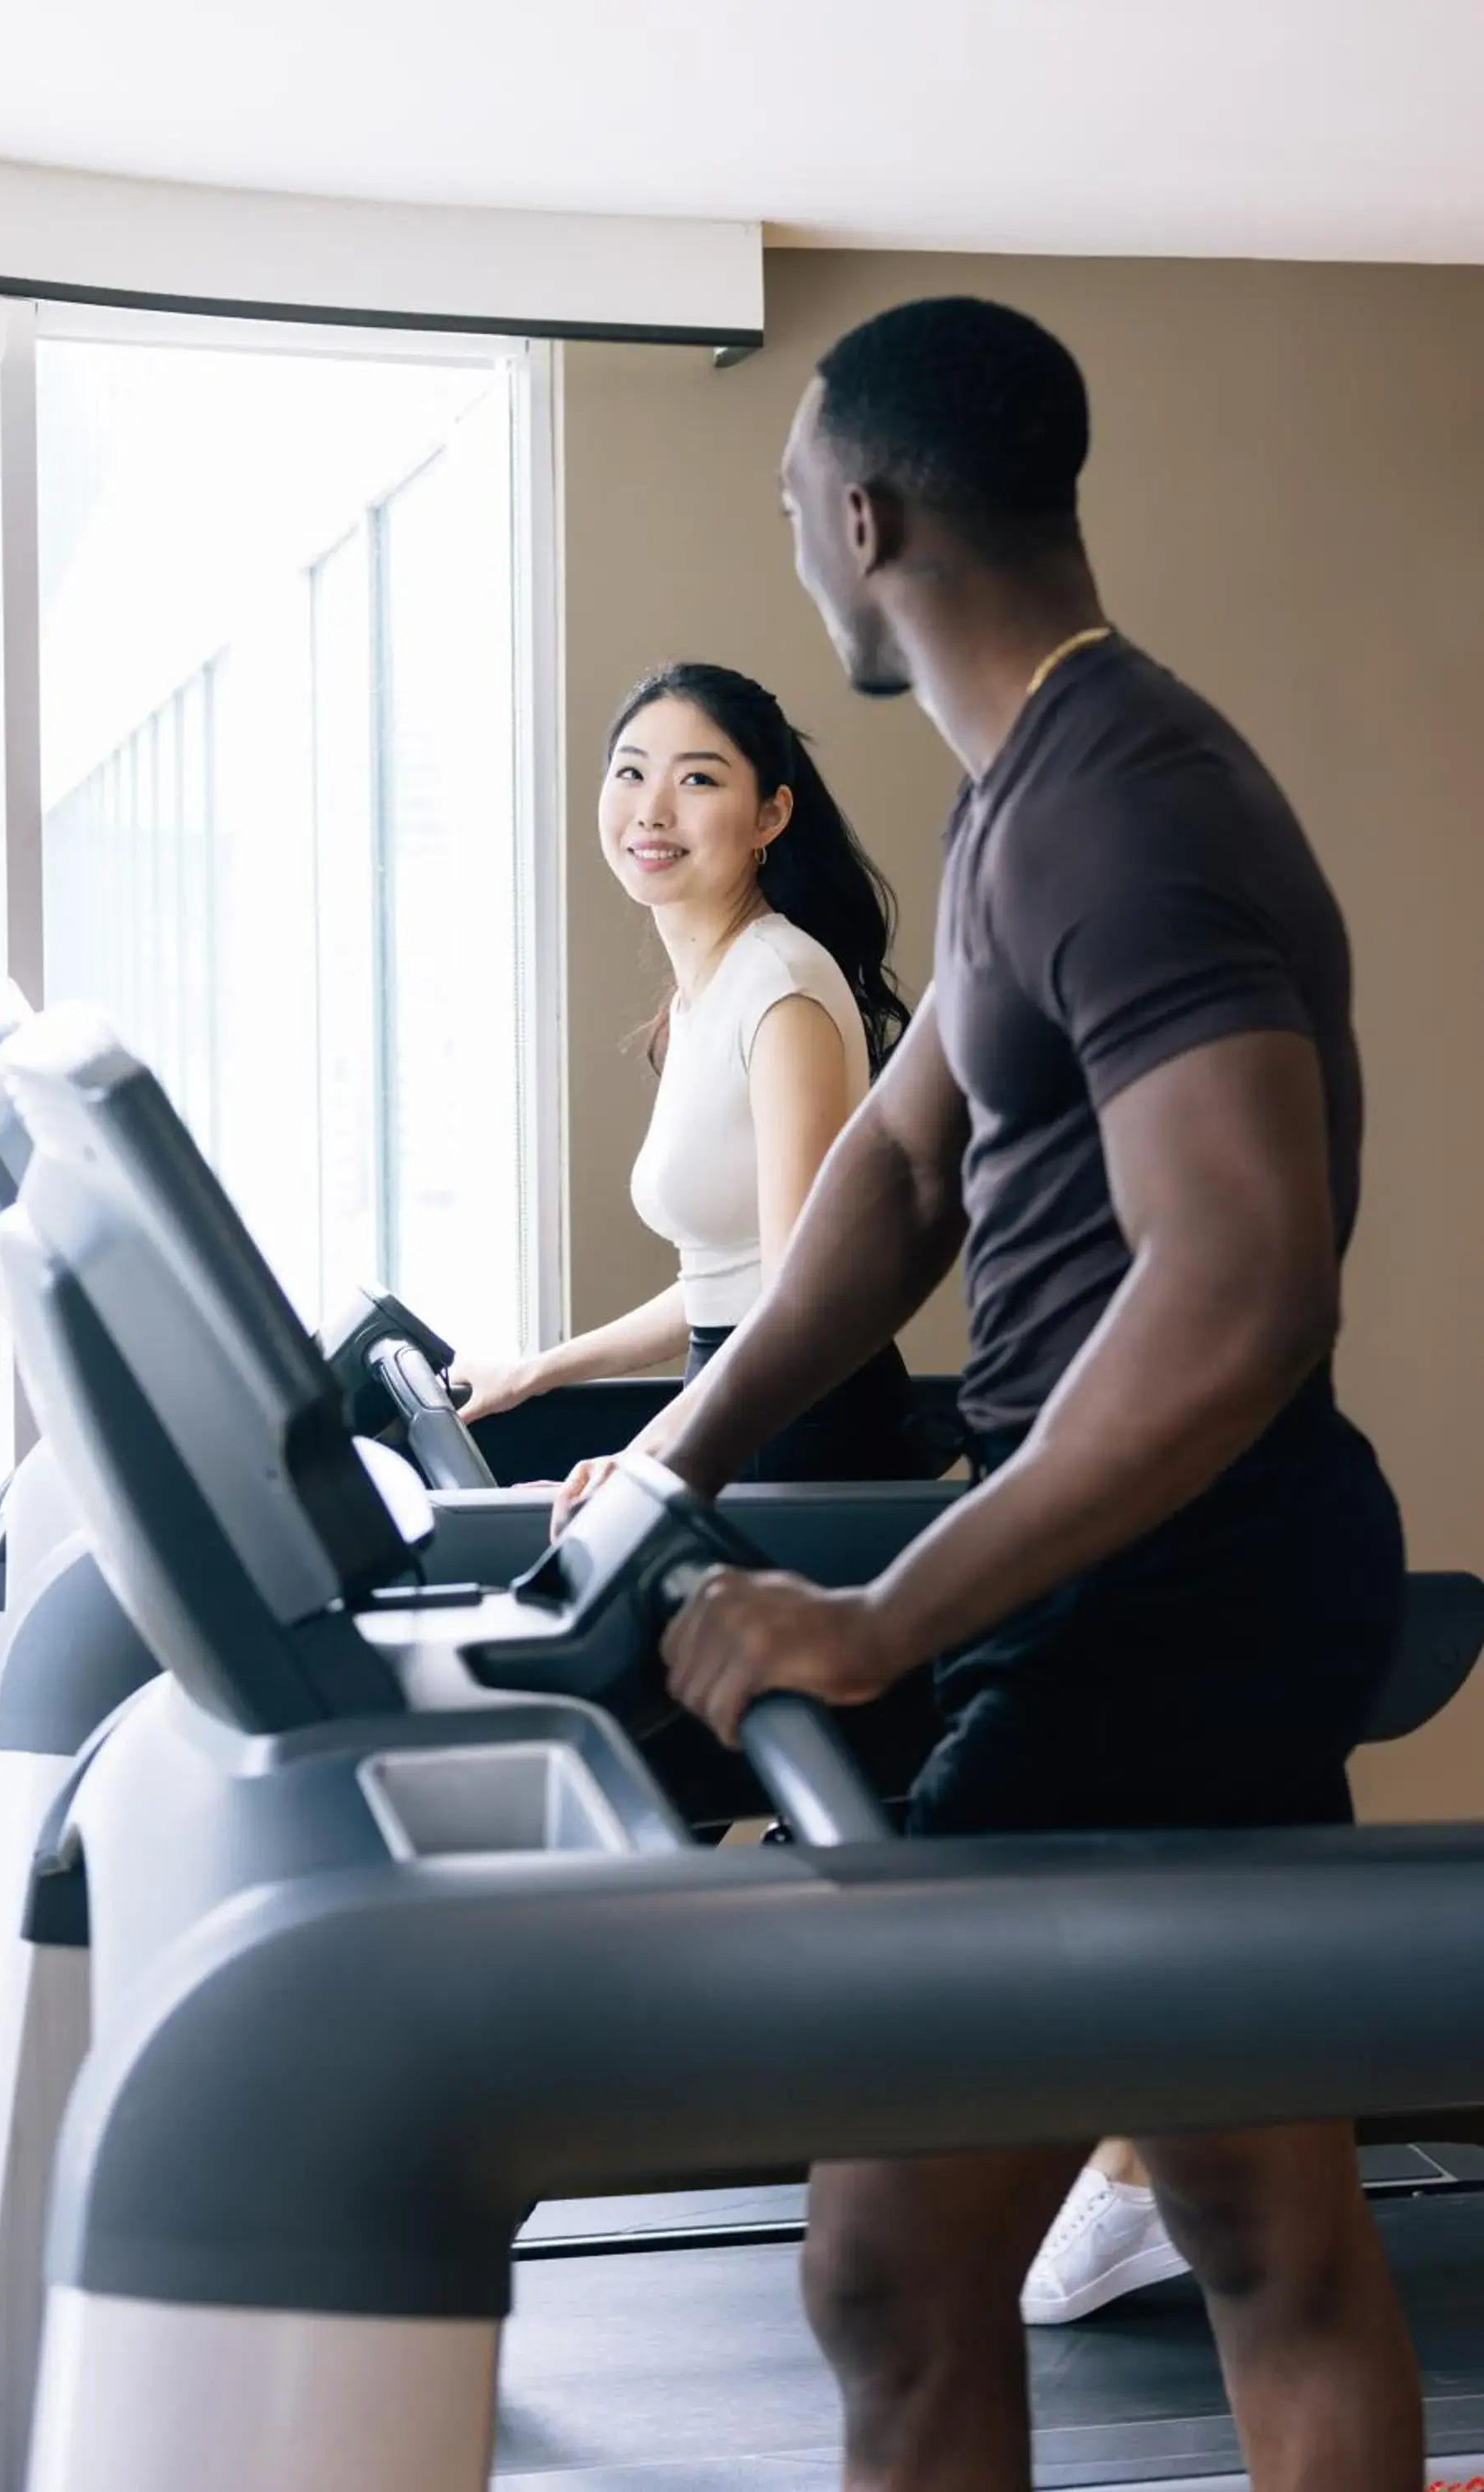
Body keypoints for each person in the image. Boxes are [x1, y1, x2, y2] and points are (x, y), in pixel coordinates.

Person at [649, 297, 1419, 2490]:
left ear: (863, 516)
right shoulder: (1027, 804)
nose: (799, 544)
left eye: (796, 505)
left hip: (1172, 1577)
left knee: (891, 2271)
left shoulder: (1122, 810)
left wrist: (888, 1622)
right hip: (1190, 1548)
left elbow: (1244, 1272)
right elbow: (899, 1176)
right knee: (1265, 2223)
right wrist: (665, 1457)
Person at [457, 660, 917, 1497]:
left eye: (697, 779)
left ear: (768, 815)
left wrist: (643, 1459)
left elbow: (789, 1302)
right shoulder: (710, 991)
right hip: (739, 1401)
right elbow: (718, 1282)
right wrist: (534, 1374)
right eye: (629, 772)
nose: (650, 810)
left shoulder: (780, 989)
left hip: (796, 1429)